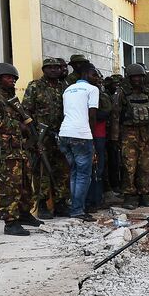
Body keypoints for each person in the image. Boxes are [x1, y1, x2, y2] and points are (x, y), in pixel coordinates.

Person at [0, 63, 42, 236]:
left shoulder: (12, 99)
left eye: (14, 78)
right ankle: (10, 223)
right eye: (8, 77)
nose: (12, 80)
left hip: (19, 149)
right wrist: (19, 127)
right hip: (5, 151)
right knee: (9, 187)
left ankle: (24, 214)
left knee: (24, 184)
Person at [21, 58, 71, 219]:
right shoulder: (35, 86)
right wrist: (33, 134)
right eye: (49, 68)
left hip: (61, 134)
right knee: (42, 170)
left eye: (56, 68)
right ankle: (42, 204)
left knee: (62, 169)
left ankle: (61, 203)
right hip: (41, 135)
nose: (53, 70)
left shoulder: (65, 87)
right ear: (44, 69)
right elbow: (26, 111)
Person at [59, 64, 100, 221]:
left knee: (75, 172)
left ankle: (75, 207)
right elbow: (92, 115)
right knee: (84, 174)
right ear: (86, 74)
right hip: (81, 135)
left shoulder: (67, 90)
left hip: (64, 134)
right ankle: (77, 210)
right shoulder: (92, 90)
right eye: (94, 75)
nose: (96, 78)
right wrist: (92, 138)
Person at [118, 63, 149, 209]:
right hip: (128, 134)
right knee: (129, 166)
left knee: (145, 166)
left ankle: (144, 193)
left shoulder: (148, 93)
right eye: (134, 77)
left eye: (140, 77)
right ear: (129, 78)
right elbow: (116, 114)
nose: (137, 80)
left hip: (145, 134)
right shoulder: (122, 93)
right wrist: (115, 137)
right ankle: (129, 195)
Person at [86, 71, 112, 211]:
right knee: (91, 169)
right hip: (89, 135)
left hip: (98, 134)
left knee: (98, 169)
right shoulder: (84, 92)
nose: (98, 80)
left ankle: (96, 199)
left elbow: (106, 112)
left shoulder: (101, 95)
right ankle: (91, 201)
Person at [104, 74, 124, 193]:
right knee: (111, 161)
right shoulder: (107, 97)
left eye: (119, 84)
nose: (117, 87)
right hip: (108, 134)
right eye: (115, 84)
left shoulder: (121, 97)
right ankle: (112, 186)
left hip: (119, 133)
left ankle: (118, 185)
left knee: (119, 161)